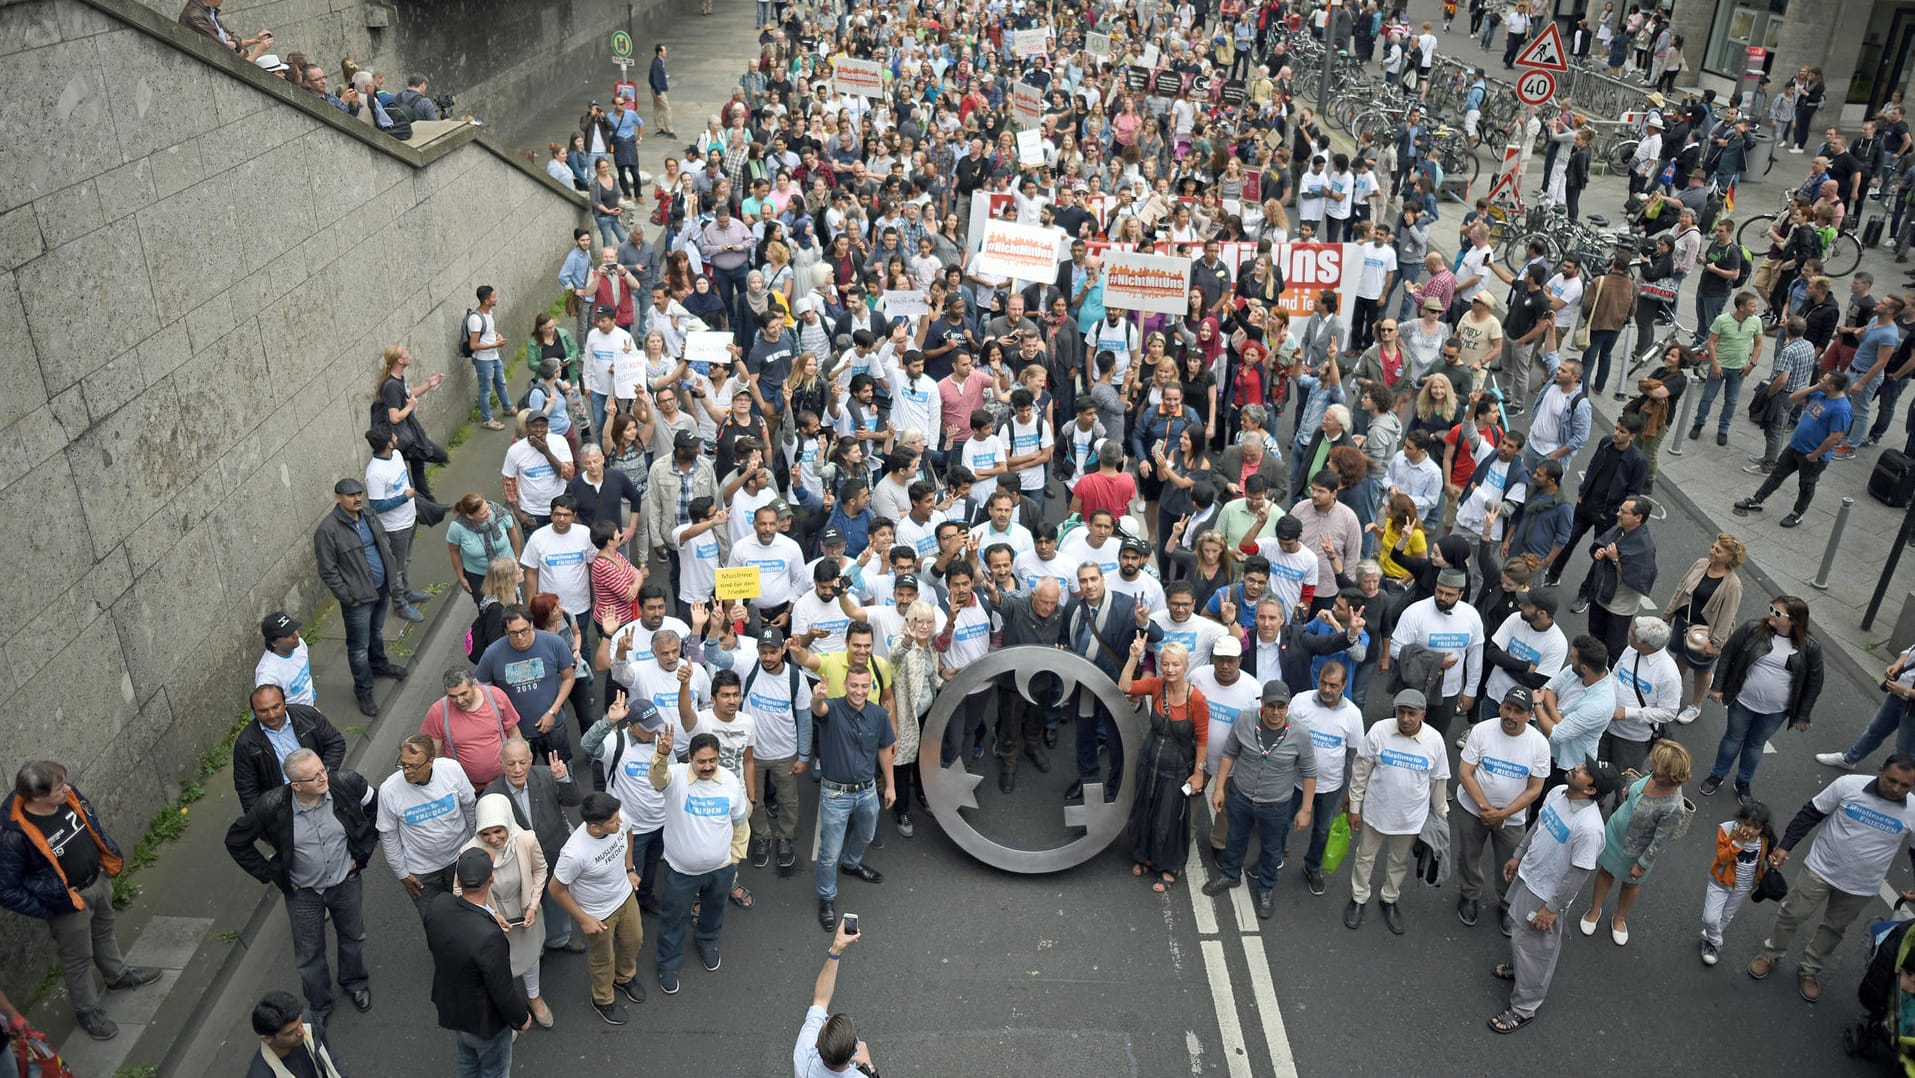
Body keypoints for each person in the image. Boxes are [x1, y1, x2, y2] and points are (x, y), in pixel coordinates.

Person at [0, 761, 160, 1041]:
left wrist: (101, 860)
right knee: (77, 958)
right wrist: (51, 907)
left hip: (97, 880)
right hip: (69, 902)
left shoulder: (69, 797)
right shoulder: (15, 835)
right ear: (37, 797)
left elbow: (90, 823)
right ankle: (88, 1010)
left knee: (104, 931)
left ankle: (117, 975)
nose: (66, 788)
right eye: (58, 786)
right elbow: (7, 890)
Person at [224, 749, 377, 1021]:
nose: (323, 778)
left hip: (346, 882)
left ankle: (354, 982)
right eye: (314, 776)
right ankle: (320, 1004)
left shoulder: (345, 784)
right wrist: (272, 872)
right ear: (296, 786)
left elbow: (376, 805)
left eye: (322, 770)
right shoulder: (271, 805)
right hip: (304, 893)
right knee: (309, 954)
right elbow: (236, 841)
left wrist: (362, 851)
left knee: (353, 937)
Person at [1749, 756, 1915, 1004]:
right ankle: (1771, 953)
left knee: (1834, 928)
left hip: (1862, 885)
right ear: (1880, 771)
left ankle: (1810, 969)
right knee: (1792, 914)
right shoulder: (1848, 785)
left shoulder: (1912, 809)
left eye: (1905, 785)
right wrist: (1785, 847)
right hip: (1820, 869)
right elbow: (1811, 813)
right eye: (1892, 780)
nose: (1896, 789)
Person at [1486, 758, 1622, 1034]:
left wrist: (1551, 909)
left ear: (1592, 790)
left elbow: (1579, 874)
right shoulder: (1558, 792)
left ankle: (1524, 1008)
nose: (1577, 769)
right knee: (1523, 937)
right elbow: (1538, 825)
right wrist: (1518, 855)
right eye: (1584, 766)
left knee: (1537, 951)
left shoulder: (1589, 828)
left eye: (1585, 772)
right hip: (1529, 877)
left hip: (1547, 896)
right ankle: (1521, 971)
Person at [646, 724, 749, 994]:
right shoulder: (675, 777)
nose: (707, 766)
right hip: (681, 872)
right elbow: (657, 780)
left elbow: (740, 822)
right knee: (673, 919)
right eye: (701, 761)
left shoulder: (729, 781)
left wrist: (735, 859)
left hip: (721, 870)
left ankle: (707, 943)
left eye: (712, 761)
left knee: (714, 912)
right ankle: (667, 963)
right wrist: (661, 755)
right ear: (689, 758)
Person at [1205, 680, 1316, 919]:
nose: (1275, 712)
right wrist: (1219, 788)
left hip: (1276, 805)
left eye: (1281, 707)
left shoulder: (1300, 733)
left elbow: (1309, 772)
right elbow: (1229, 753)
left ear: (1288, 707)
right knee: (1235, 838)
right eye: (1271, 706)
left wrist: (1305, 809)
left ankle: (1265, 888)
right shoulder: (1245, 720)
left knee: (1272, 849)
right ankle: (1230, 874)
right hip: (1241, 796)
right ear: (1262, 703)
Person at [1345, 690, 1451, 934]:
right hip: (1375, 812)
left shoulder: (1434, 741)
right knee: (1364, 857)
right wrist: (1354, 807)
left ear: (1423, 714)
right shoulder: (1380, 730)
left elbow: (1438, 782)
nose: (1404, 718)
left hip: (1411, 819)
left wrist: (1440, 819)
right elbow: (1360, 771)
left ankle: (1389, 898)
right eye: (1400, 712)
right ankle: (1358, 897)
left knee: (1398, 862)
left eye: (1411, 714)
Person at [1699, 596, 1824, 801]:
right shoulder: (1753, 629)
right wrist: (1718, 687)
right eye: (1771, 609)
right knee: (1733, 738)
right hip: (1743, 701)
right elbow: (1729, 654)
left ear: (1793, 620)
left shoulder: (1810, 647)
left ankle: (1743, 782)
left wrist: (1803, 715)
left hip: (1776, 711)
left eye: (1777, 613)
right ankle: (1717, 775)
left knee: (1755, 745)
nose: (1771, 615)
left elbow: (1814, 682)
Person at [423, 849, 532, 1077]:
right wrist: (521, 1018)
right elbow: (502, 989)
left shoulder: (439, 905)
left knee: (467, 1064)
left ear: (458, 880)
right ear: (491, 879)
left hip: (453, 1006)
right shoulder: (490, 938)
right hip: (485, 1022)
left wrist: (490, 914)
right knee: (495, 1071)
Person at [1453, 687, 1551, 937]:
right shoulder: (1482, 731)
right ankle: (1469, 894)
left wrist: (1504, 813)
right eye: (1507, 708)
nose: (1511, 715)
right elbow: (1465, 773)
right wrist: (1487, 809)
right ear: (1500, 707)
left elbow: (1535, 788)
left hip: (1513, 817)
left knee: (1510, 863)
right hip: (1473, 810)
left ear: (1530, 714)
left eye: (1518, 711)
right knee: (1469, 856)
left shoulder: (1539, 744)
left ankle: (1507, 904)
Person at [1578, 741, 1693, 946]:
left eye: (1657, 763)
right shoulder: (1654, 776)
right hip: (1614, 833)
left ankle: (1620, 917)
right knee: (1605, 872)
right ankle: (1595, 909)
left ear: (1669, 773)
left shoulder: (1674, 808)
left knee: (1631, 884)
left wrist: (1642, 864)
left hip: (1637, 851)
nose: (1652, 763)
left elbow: (1660, 841)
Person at [809, 667, 896, 932]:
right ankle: (827, 897)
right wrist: (817, 698)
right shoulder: (832, 709)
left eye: (863, 686)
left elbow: (884, 750)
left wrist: (890, 786)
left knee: (867, 834)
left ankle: (852, 864)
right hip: (836, 794)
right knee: (828, 853)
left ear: (870, 687)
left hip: (867, 790)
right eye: (853, 685)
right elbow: (818, 709)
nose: (859, 691)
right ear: (845, 685)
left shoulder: (878, 715)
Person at [314, 477, 409, 718]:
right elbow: (328, 569)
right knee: (358, 647)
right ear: (338, 498)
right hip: (358, 598)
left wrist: (390, 575)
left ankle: (379, 665)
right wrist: (348, 597)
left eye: (359, 493)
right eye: (350, 495)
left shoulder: (368, 515)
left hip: (381, 588)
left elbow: (383, 543)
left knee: (376, 633)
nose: (357, 498)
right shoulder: (328, 529)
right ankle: (364, 691)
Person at [549, 790, 646, 1025]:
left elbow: (629, 832)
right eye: (613, 822)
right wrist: (583, 919)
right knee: (603, 958)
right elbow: (556, 889)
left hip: (624, 896)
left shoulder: (618, 818)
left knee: (634, 940)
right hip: (598, 912)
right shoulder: (574, 853)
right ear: (594, 828)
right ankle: (603, 998)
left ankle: (623, 978)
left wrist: (630, 869)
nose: (619, 822)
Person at [1119, 639, 1209, 894]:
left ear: (1185, 666)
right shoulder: (1157, 686)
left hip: (1177, 769)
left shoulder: (1197, 700)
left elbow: (1203, 740)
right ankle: (1145, 856)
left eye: (1175, 664)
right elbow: (1125, 686)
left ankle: (1169, 867)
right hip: (1150, 762)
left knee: (1168, 820)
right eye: (1165, 664)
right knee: (1144, 811)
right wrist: (1134, 656)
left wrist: (1198, 773)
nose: (1170, 669)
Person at [456, 794, 551, 1028]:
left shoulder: (526, 840)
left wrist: (533, 904)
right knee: (498, 969)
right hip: (491, 918)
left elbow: (540, 870)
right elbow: (459, 890)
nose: (493, 839)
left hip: (524, 910)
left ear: (508, 823)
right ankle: (509, 1012)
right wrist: (488, 914)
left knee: (530, 958)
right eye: (486, 834)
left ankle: (534, 996)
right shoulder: (469, 851)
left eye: (499, 831)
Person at [484, 738, 584, 954]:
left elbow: (574, 800)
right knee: (528, 906)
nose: (518, 769)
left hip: (553, 853)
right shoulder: (491, 796)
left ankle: (559, 938)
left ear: (531, 759)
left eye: (522, 762)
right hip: (519, 865)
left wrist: (564, 779)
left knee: (557, 898)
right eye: (511, 764)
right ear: (501, 763)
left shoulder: (548, 775)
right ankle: (534, 949)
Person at [1731, 370, 1854, 528]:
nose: (1819, 379)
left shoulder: (1842, 409)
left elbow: (1834, 437)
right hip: (1795, 446)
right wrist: (1816, 387)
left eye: (1823, 380)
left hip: (1812, 456)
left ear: (1831, 386)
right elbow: (1793, 398)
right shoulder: (1819, 395)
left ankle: (1797, 514)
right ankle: (1757, 500)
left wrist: (1815, 455)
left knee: (1806, 485)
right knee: (1776, 474)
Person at [377, 735, 477, 915]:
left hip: (459, 858)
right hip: (422, 872)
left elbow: (470, 808)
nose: (407, 771)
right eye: (403, 764)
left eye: (413, 766)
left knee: (469, 916)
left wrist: (476, 847)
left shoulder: (451, 770)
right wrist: (402, 873)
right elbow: (388, 835)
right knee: (435, 923)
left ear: (431, 761)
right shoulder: (389, 790)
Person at [1662, 534, 1747, 727]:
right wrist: (1669, 613)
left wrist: (1715, 643)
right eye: (1712, 547)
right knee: (1681, 658)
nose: (1711, 551)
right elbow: (1681, 587)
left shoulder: (1733, 585)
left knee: (1702, 669)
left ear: (1730, 558)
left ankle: (1695, 706)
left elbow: (1727, 616)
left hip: (1705, 633)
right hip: (1684, 623)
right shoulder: (1701, 564)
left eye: (1718, 550)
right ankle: (1676, 690)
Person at [232, 683, 347, 813]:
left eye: (276, 707)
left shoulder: (308, 715)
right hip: (285, 805)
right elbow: (246, 787)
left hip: (323, 789)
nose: (271, 715)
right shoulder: (246, 743)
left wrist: (323, 775)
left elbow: (335, 743)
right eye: (263, 711)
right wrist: (258, 820)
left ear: (284, 703)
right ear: (254, 712)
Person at [1697, 799, 1776, 967]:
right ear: (1739, 820)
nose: (1750, 830)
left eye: (1756, 827)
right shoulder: (1726, 830)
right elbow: (1722, 857)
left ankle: (1709, 943)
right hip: (1720, 882)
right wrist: (1738, 842)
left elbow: (1762, 860)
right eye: (1746, 824)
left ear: (1762, 828)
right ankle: (1716, 942)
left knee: (1725, 916)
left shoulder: (1763, 840)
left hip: (1743, 886)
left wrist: (1772, 861)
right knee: (1711, 918)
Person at [793, 922, 877, 1077]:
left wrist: (836, 949)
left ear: (817, 1043)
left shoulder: (804, 1055)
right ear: (854, 1051)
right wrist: (869, 1066)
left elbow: (820, 999)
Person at [1604, 617, 1684, 777]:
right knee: (1597, 775)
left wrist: (1627, 713)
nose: (1628, 634)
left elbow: (1669, 712)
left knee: (1622, 783)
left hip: (1632, 739)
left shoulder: (1668, 673)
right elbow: (1615, 674)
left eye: (1633, 634)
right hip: (1605, 725)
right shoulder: (1631, 650)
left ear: (1645, 643)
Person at [246, 989, 347, 1078]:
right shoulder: (261, 1074)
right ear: (267, 1038)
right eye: (290, 1033)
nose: (302, 1032)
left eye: (300, 1024)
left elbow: (328, 1057)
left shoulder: (307, 1019)